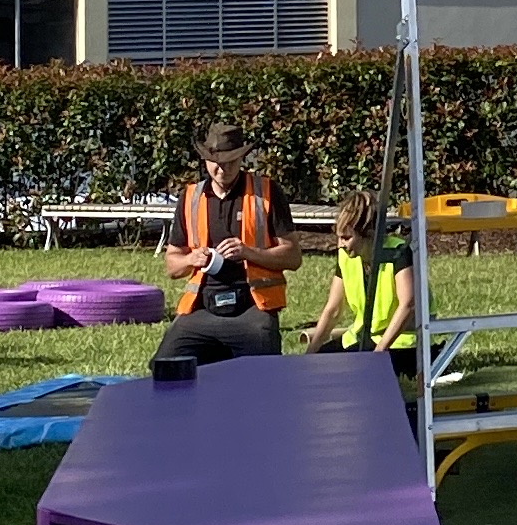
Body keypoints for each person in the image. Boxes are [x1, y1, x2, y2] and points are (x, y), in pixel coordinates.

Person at [148, 123, 297, 377]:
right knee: (164, 371)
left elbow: (293, 257)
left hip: (253, 309)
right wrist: (192, 259)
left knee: (264, 376)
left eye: (230, 161)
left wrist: (249, 253)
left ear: (241, 158)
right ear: (204, 160)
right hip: (202, 310)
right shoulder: (190, 197)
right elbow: (172, 266)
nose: (222, 169)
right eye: (215, 161)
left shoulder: (267, 192)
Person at [306, 187, 415, 355]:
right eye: (339, 237)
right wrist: (310, 354)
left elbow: (408, 305)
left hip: (401, 343)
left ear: (368, 234)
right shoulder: (346, 257)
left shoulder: (398, 252)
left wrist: (379, 353)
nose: (340, 244)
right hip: (363, 339)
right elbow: (333, 310)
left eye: (347, 238)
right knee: (321, 360)